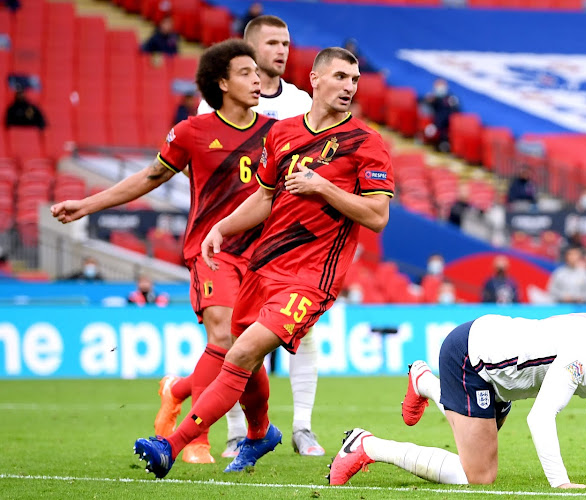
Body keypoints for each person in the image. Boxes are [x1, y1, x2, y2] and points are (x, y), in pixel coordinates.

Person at [132, 46, 394, 479]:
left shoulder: (366, 144)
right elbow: (265, 197)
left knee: (243, 351)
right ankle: (260, 433)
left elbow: (377, 216)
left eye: (355, 80)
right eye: (341, 77)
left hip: (312, 276)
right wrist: (223, 227)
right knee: (245, 361)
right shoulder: (282, 133)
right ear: (315, 78)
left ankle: (171, 445)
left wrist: (322, 187)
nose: (349, 86)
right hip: (264, 265)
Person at [51, 39, 274, 464]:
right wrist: (87, 204)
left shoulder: (274, 132)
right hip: (214, 252)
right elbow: (150, 176)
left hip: (262, 259)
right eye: (246, 73)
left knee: (247, 349)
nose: (256, 80)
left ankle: (188, 396)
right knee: (225, 337)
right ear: (221, 83)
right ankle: (194, 436)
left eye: (256, 73)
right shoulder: (192, 132)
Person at [329, 310, 586, 487]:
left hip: (501, 374)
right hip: (471, 358)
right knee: (479, 475)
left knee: (475, 440)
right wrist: (560, 483)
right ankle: (368, 445)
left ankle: (423, 382)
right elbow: (540, 417)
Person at [195, 15, 322, 458]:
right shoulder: (214, 105)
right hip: (235, 238)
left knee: (301, 332)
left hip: (287, 238)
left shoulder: (301, 101)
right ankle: (236, 431)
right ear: (248, 50)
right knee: (234, 336)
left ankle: (303, 427)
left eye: (286, 42)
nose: (282, 51)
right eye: (272, 43)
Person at [420, 78, 459, 153]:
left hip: (447, 124)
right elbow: (423, 102)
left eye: (441, 86)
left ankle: (444, 143)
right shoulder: (434, 98)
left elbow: (453, 112)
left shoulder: (451, 99)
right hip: (437, 124)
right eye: (438, 86)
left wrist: (436, 125)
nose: (439, 89)